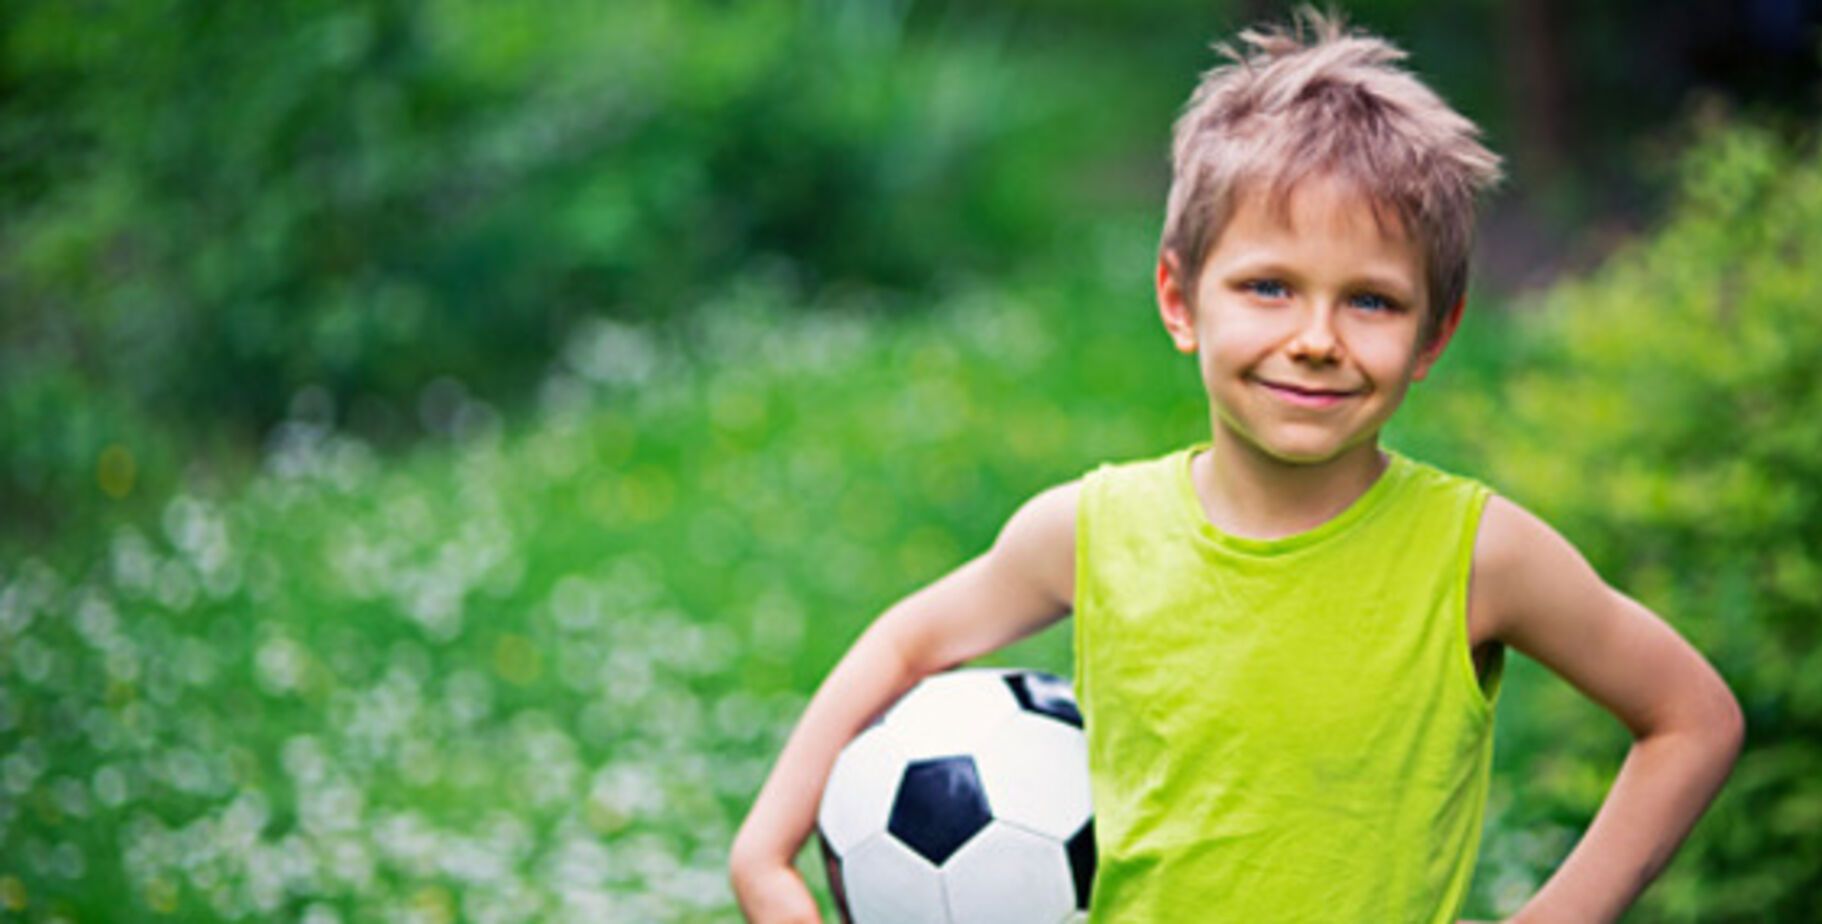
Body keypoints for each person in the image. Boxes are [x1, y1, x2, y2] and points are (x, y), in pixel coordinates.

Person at [729, 9, 1743, 922]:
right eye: (1268, 286)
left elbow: (1691, 718)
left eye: (1373, 301)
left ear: (1435, 336)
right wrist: (766, 853)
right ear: (1180, 299)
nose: (1315, 337)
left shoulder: (1477, 557)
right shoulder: (1092, 530)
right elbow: (910, 643)